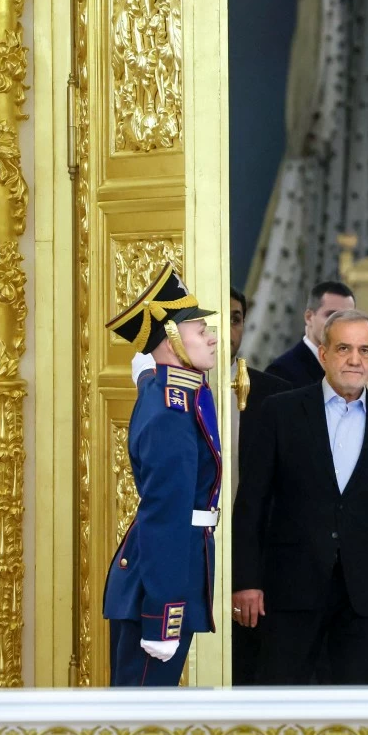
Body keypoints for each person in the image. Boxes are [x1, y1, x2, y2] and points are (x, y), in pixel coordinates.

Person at [231, 309, 368, 685]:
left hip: (367, 597)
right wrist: (246, 580)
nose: (355, 360)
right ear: (323, 354)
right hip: (289, 589)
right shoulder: (280, 412)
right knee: (281, 699)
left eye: (365, 350)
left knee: (355, 707)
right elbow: (252, 504)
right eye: (343, 349)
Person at [102, 263, 221, 687]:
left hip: (166, 569)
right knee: (139, 729)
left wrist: (149, 370)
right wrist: (163, 617)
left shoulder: (167, 387)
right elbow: (165, 513)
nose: (211, 336)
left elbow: (150, 374)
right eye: (198, 329)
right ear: (170, 339)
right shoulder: (172, 410)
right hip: (161, 583)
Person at [226, 288, 290, 686]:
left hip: (261, 569)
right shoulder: (165, 390)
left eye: (235, 318)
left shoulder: (274, 396)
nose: (228, 328)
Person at [265, 281, 356, 387]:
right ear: (309, 317)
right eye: (331, 316)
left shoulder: (355, 369)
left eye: (347, 318)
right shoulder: (281, 372)